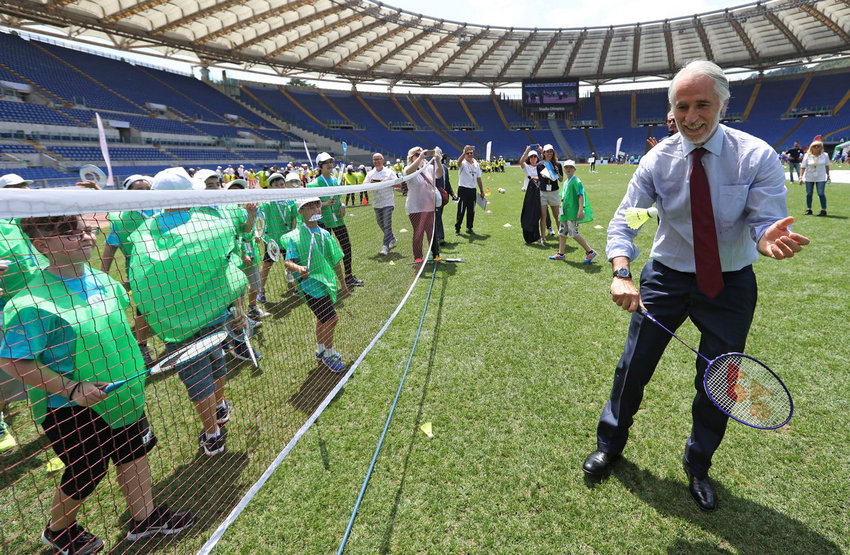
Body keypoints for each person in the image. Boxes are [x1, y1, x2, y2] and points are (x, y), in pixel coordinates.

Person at [582, 60, 810, 513]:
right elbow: (626, 219)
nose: (691, 117)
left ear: (724, 104)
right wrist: (621, 270)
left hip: (730, 285)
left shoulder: (757, 156)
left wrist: (766, 236)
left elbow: (765, 220)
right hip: (665, 278)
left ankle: (699, 465)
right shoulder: (656, 160)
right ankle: (610, 444)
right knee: (633, 367)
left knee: (718, 381)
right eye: (681, 106)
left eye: (702, 104)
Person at [0, 214, 194, 553]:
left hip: (122, 394)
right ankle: (60, 530)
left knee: (135, 451)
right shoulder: (30, 303)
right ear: (41, 245)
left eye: (85, 229)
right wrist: (71, 389)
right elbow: (13, 361)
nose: (84, 236)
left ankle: (144, 519)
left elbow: (121, 332)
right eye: (68, 233)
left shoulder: (105, 280)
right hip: (70, 407)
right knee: (86, 470)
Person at [129, 167, 251, 456]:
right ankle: (217, 414)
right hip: (215, 312)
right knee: (215, 360)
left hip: (175, 323)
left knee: (198, 374)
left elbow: (140, 284)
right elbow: (230, 268)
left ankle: (213, 431)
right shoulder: (211, 226)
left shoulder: (143, 236)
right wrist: (238, 308)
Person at [283, 198, 349, 373]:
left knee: (322, 318)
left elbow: (335, 260)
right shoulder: (295, 236)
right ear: (301, 212)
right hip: (310, 287)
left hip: (326, 284)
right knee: (332, 319)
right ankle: (329, 354)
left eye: (316, 205)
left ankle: (320, 349)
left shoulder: (325, 235)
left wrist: (343, 282)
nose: (314, 209)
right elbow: (288, 262)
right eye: (309, 207)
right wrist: (299, 268)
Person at [100, 174, 157, 365]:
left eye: (148, 190)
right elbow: (110, 247)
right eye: (139, 190)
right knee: (143, 309)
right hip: (139, 272)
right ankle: (142, 347)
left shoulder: (160, 210)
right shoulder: (122, 219)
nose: (144, 194)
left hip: (166, 268)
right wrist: (102, 276)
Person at [308, 152, 364, 287]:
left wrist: (343, 205)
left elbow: (339, 199)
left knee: (346, 246)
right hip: (323, 221)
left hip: (338, 220)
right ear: (320, 166)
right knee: (325, 251)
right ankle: (326, 279)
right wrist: (325, 204)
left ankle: (349, 276)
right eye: (326, 162)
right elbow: (311, 205)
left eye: (331, 162)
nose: (330, 165)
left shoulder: (335, 180)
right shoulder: (314, 184)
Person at [258, 172, 301, 302]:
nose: (279, 187)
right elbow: (260, 220)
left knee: (291, 264)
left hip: (288, 240)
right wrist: (261, 235)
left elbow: (294, 217)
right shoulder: (267, 203)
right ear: (271, 187)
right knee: (266, 266)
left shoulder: (290, 202)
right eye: (276, 185)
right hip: (273, 241)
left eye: (281, 184)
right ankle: (261, 291)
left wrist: (293, 232)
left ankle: (297, 287)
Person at [548, 160, 597, 263]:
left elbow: (580, 195)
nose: (568, 169)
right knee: (562, 232)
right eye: (566, 167)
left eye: (571, 167)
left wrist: (580, 210)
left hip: (572, 212)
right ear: (564, 169)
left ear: (574, 169)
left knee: (573, 233)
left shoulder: (576, 181)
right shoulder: (566, 182)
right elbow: (563, 196)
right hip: (565, 212)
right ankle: (561, 254)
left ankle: (590, 251)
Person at [404, 146, 443, 263]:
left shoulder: (429, 167)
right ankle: (418, 257)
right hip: (415, 207)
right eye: (416, 154)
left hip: (429, 206)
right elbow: (409, 172)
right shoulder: (408, 168)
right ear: (411, 158)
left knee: (432, 232)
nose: (420, 155)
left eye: (421, 153)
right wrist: (420, 158)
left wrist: (438, 161)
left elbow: (439, 174)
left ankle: (436, 254)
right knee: (418, 233)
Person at [364, 153, 397, 256]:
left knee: (387, 224)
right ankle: (392, 238)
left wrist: (387, 181)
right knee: (380, 223)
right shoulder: (370, 173)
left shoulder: (389, 172)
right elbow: (364, 185)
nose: (376, 161)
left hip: (388, 202)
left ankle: (385, 246)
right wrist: (371, 183)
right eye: (374, 159)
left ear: (383, 160)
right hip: (377, 203)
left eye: (378, 159)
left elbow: (398, 184)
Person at [454, 145, 485, 235]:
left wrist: (482, 191)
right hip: (463, 189)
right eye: (468, 153)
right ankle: (457, 229)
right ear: (465, 154)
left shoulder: (476, 164)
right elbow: (458, 163)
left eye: (471, 153)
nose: (470, 154)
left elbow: (479, 178)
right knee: (461, 210)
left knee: (471, 210)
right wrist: (464, 152)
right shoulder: (463, 163)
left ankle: (469, 228)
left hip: (472, 190)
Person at [537, 144, 564, 245]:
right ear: (543, 153)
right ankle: (543, 238)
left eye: (551, 151)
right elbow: (540, 179)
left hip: (553, 192)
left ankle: (562, 237)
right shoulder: (540, 165)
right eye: (547, 151)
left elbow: (561, 180)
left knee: (557, 216)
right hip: (543, 192)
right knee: (543, 216)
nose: (549, 153)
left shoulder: (558, 164)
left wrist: (557, 173)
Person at [799, 140, 830, 216]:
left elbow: (827, 166)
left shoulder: (825, 155)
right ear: (811, 147)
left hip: (821, 177)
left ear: (821, 147)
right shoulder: (807, 155)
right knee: (809, 194)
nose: (816, 147)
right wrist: (800, 177)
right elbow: (803, 167)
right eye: (814, 146)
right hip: (809, 177)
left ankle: (823, 210)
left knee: (821, 193)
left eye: (818, 146)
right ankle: (809, 209)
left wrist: (828, 176)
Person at [519, 146, 542, 244]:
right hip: (530, 193)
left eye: (535, 156)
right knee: (532, 213)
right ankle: (533, 233)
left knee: (544, 213)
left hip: (541, 192)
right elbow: (521, 162)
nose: (533, 158)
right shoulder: (527, 168)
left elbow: (547, 163)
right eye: (531, 156)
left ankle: (548, 228)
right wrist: (526, 151)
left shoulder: (540, 166)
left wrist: (541, 151)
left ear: (537, 158)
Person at [434, 154, 455, 245]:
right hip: (433, 195)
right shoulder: (430, 167)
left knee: (438, 216)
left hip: (442, 196)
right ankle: (439, 237)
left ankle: (439, 237)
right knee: (436, 217)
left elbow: (447, 182)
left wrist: (452, 194)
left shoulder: (445, 168)